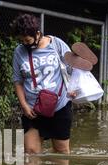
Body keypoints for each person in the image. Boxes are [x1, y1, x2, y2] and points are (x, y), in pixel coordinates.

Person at [10, 14, 76, 155]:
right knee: (31, 153)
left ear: (38, 34)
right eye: (21, 41)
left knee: (61, 152)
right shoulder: (19, 51)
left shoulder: (57, 44)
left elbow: (72, 69)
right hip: (33, 110)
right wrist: (24, 106)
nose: (25, 44)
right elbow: (18, 81)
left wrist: (74, 89)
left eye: (27, 40)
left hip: (60, 107)